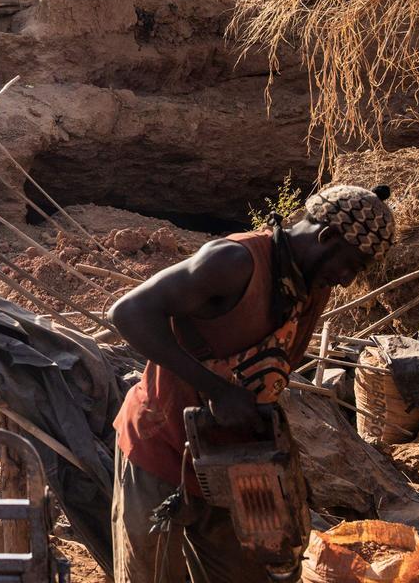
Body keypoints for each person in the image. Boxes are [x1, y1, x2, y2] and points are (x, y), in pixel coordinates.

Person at [109, 184, 396, 583]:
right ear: (326, 236)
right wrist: (216, 390)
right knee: (153, 574)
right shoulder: (234, 262)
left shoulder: (311, 287)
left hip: (236, 462)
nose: (347, 280)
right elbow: (127, 313)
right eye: (350, 265)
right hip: (162, 445)